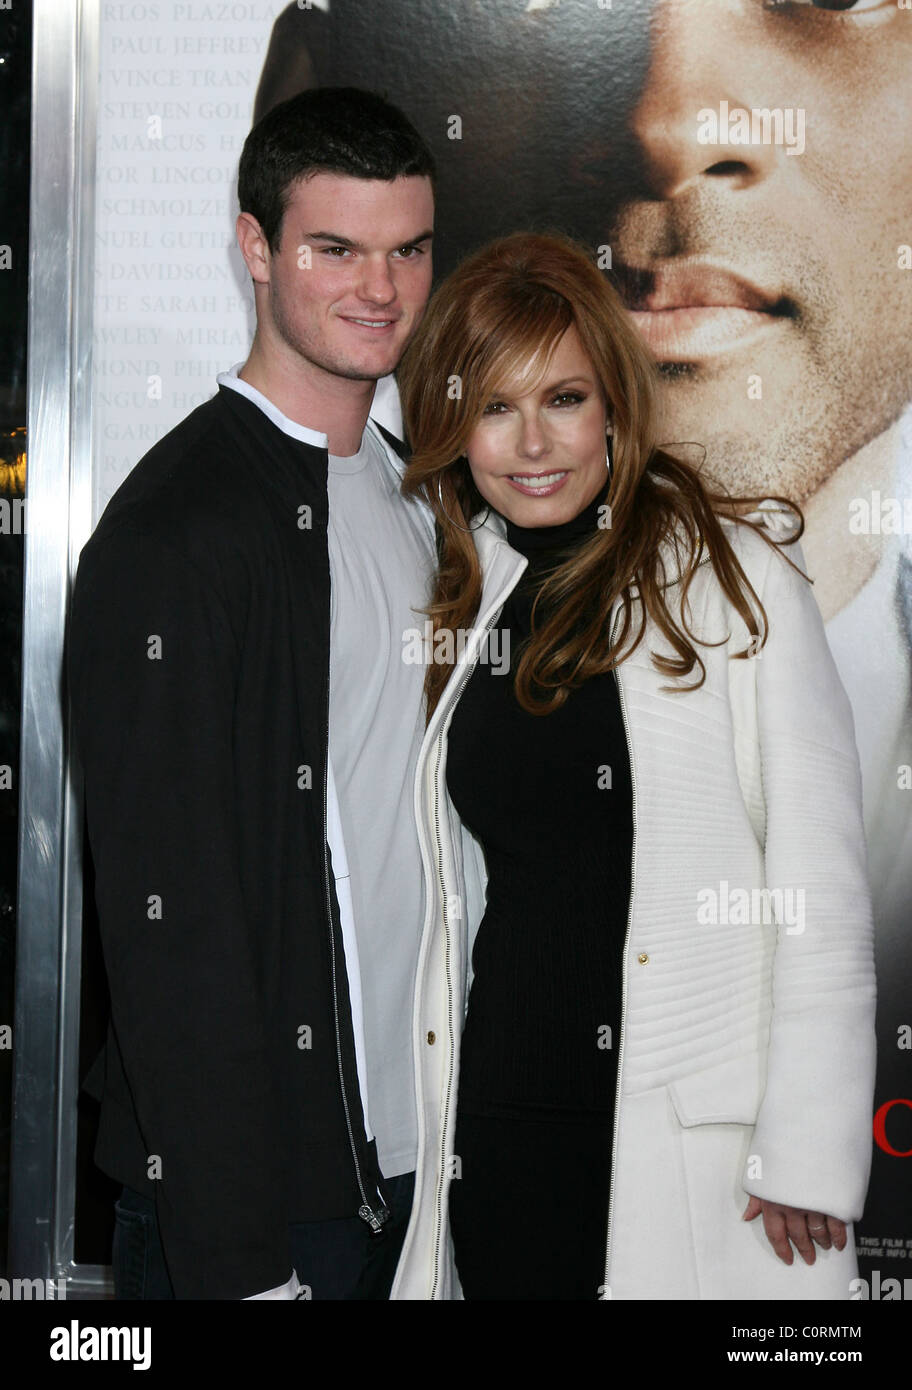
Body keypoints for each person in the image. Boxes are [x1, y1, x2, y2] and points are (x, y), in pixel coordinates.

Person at [389, 232, 877, 1300]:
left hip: (698, 1137)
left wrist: (808, 1143)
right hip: (507, 1121)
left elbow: (821, 886)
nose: (530, 444)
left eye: (561, 398)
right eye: (493, 406)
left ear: (612, 402)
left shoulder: (732, 578)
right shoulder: (476, 597)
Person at [67, 87, 437, 1300]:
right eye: (335, 248)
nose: (378, 288)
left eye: (407, 250)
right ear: (256, 248)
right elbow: (169, 925)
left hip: (407, 1176)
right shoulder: (173, 530)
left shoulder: (416, 494)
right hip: (258, 1215)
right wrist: (241, 1265)